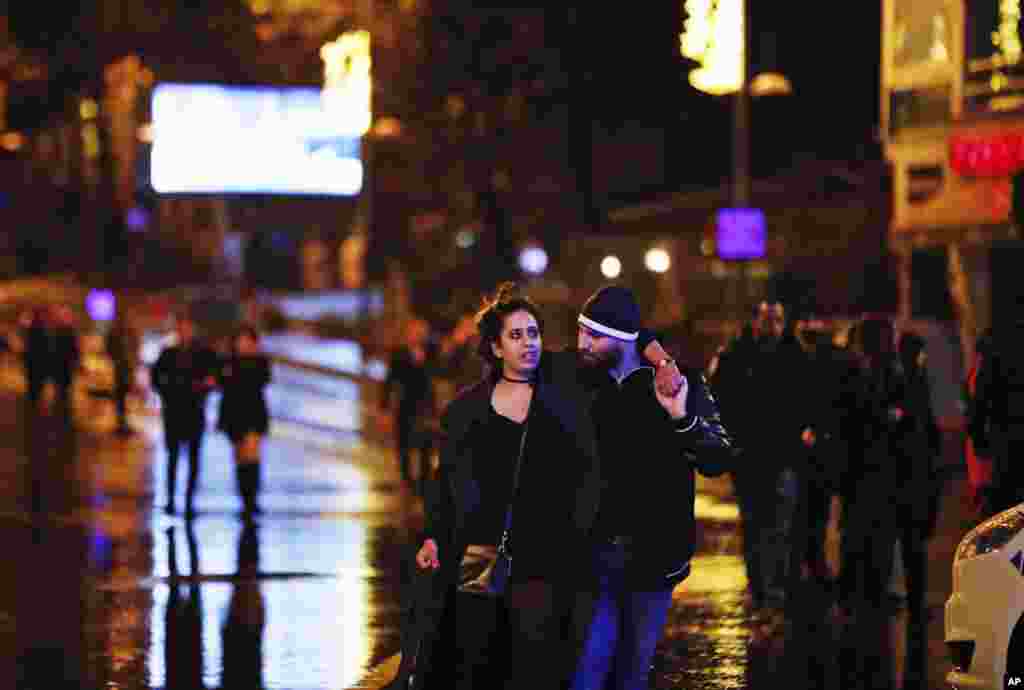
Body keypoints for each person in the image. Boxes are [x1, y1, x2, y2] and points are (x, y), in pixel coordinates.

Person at [402, 283, 688, 690]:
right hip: (481, 557)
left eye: (534, 333)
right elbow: (444, 481)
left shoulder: (563, 382)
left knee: (538, 668)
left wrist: (662, 362)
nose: (528, 344)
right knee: (476, 666)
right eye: (515, 335)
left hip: (547, 558)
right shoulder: (466, 411)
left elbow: (627, 332)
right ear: (496, 348)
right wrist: (432, 536)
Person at [569, 285, 734, 690]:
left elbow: (717, 458)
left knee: (633, 667)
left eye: (594, 335)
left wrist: (681, 417)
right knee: (587, 667)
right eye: (581, 331)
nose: (582, 343)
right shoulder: (577, 384)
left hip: (655, 555)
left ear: (622, 339)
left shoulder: (681, 382)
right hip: (594, 552)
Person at [711, 300, 813, 626]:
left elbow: (809, 400)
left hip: (783, 455)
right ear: (755, 321)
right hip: (751, 457)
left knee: (780, 526)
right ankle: (763, 593)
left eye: (778, 319)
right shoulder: (736, 356)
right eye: (767, 319)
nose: (772, 325)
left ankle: (775, 595)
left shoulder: (795, 355)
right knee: (756, 527)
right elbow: (720, 402)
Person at [151, 315, 218, 517]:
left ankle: (189, 503)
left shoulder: (203, 353)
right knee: (172, 458)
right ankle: (171, 500)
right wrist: (167, 392)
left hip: (194, 413)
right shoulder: (168, 353)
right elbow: (155, 378)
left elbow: (214, 378)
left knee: (193, 460)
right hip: (173, 413)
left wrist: (204, 389)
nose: (184, 333)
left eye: (187, 328)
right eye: (181, 328)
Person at [969, 312, 1024, 517]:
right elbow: (979, 405)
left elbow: (978, 405)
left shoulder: (996, 358)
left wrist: (979, 438)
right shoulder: (997, 359)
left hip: (1004, 446)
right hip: (1006, 446)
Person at [216, 325, 272, 519]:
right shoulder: (228, 361)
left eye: (247, 340)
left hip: (254, 414)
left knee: (252, 455)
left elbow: (263, 380)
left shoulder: (260, 361)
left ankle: (252, 501)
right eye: (241, 340)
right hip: (234, 415)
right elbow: (221, 383)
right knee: (240, 458)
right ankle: (244, 500)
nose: (244, 344)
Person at [380, 317, 439, 492]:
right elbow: (389, 381)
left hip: (426, 405)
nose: (418, 335)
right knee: (403, 444)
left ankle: (425, 481)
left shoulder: (431, 351)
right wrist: (384, 407)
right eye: (415, 332)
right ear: (408, 334)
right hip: (406, 404)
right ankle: (407, 480)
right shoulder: (398, 354)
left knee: (426, 443)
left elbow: (442, 368)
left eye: (422, 332)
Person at [964, 329, 995, 518]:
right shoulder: (984, 369)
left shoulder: (978, 369)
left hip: (980, 436)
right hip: (984, 435)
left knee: (982, 486)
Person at [105, 309, 140, 435]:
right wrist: (117, 360)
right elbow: (109, 348)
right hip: (121, 368)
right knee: (121, 396)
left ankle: (124, 422)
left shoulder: (129, 333)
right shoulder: (117, 333)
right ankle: (121, 422)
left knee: (125, 396)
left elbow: (135, 348)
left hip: (127, 368)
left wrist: (133, 361)